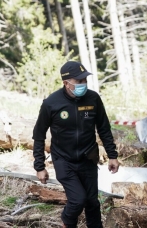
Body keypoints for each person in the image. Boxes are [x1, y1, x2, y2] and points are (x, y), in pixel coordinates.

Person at [32, 61, 120, 228]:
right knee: (78, 199)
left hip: (88, 158)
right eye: (79, 81)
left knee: (92, 202)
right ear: (66, 83)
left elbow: (104, 129)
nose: (83, 84)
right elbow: (39, 135)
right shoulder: (51, 103)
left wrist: (113, 155)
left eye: (85, 80)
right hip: (64, 160)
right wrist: (39, 166)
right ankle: (67, 221)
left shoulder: (93, 98)